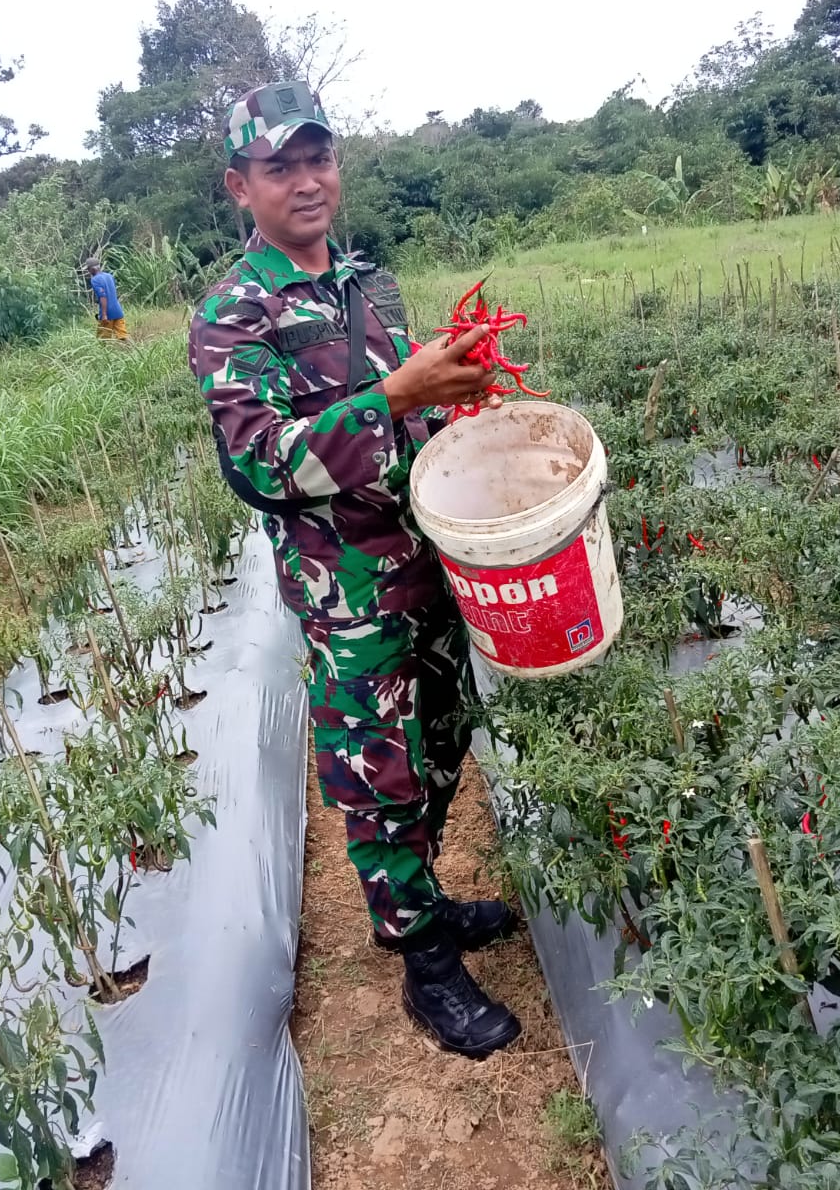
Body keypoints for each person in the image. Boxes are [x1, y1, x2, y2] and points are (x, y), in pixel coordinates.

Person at [188, 81, 522, 1059]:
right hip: (349, 592)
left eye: (318, 159)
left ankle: (426, 900)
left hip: (430, 563)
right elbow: (262, 464)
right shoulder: (232, 315)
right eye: (279, 166)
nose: (306, 182)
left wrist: (447, 395)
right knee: (378, 774)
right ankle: (421, 960)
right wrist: (393, 396)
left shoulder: (368, 283)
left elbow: (404, 412)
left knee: (444, 741)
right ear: (238, 186)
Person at [87, 257, 126, 340]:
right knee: (123, 336)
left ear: (92, 269)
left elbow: (103, 296)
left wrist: (104, 315)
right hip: (118, 311)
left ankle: (104, 353)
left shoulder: (95, 280)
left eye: (88, 269)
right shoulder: (109, 276)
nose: (88, 271)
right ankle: (133, 350)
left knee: (103, 340)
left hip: (108, 314)